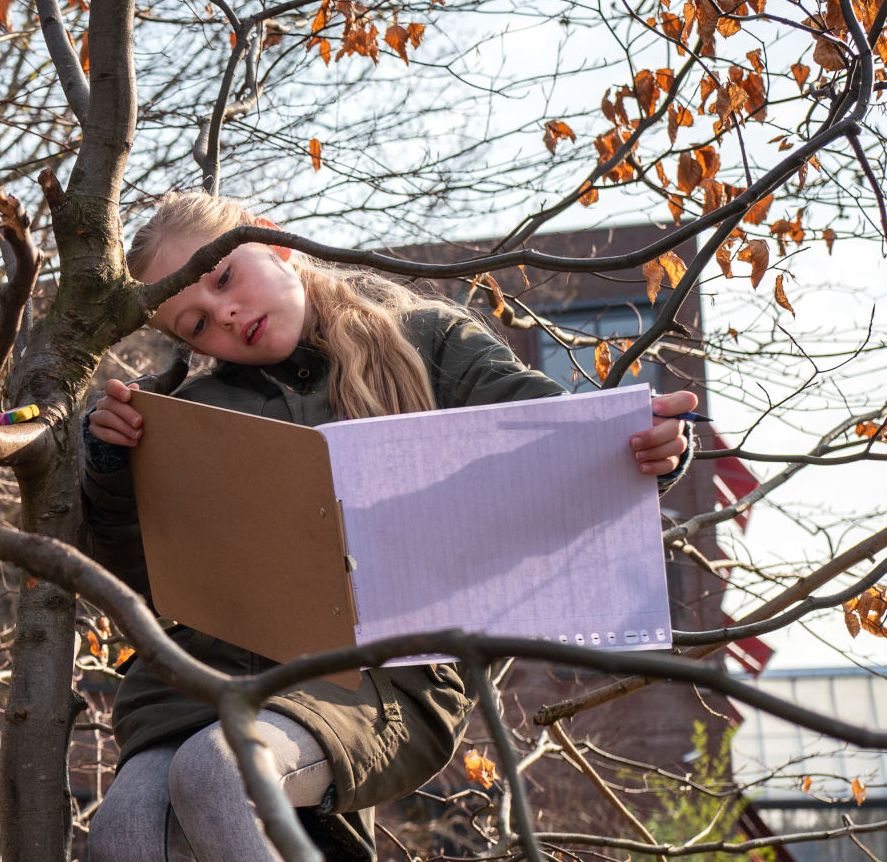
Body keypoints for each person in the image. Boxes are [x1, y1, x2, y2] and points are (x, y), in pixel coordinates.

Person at [81, 192, 694, 862]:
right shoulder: (193, 415)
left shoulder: (427, 342)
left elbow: (548, 443)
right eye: (196, 324)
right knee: (121, 830)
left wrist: (642, 449)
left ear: (275, 240)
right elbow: (139, 582)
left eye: (225, 277)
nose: (224, 314)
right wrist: (112, 468)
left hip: (385, 680)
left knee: (218, 770)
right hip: (203, 679)